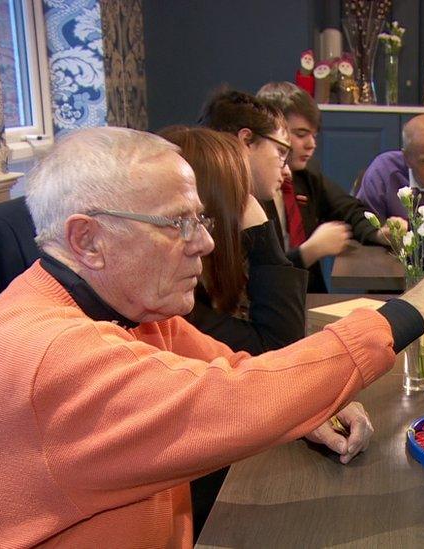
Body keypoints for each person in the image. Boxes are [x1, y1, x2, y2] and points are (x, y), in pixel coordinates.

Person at [0, 127, 424, 547]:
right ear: (87, 240)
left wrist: (303, 406)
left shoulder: (128, 307)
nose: (204, 243)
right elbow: (234, 400)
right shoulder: (52, 358)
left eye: (200, 219)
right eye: (177, 223)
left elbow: (236, 367)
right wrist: (421, 304)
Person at [157, 126, 373, 537]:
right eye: (241, 198)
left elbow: (256, 365)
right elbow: (277, 346)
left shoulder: (182, 304)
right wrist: (261, 233)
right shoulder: (177, 307)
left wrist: (309, 396)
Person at [199, 89, 357, 292]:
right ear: (246, 141)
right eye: (281, 152)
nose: (288, 173)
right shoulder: (222, 216)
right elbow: (272, 303)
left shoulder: (305, 179)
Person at [255, 81, 390, 292]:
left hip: (309, 298)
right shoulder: (253, 190)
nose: (311, 144)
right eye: (300, 134)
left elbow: (349, 209)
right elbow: (256, 273)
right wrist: (310, 251)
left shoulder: (306, 178)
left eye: (314, 135)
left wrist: (379, 232)